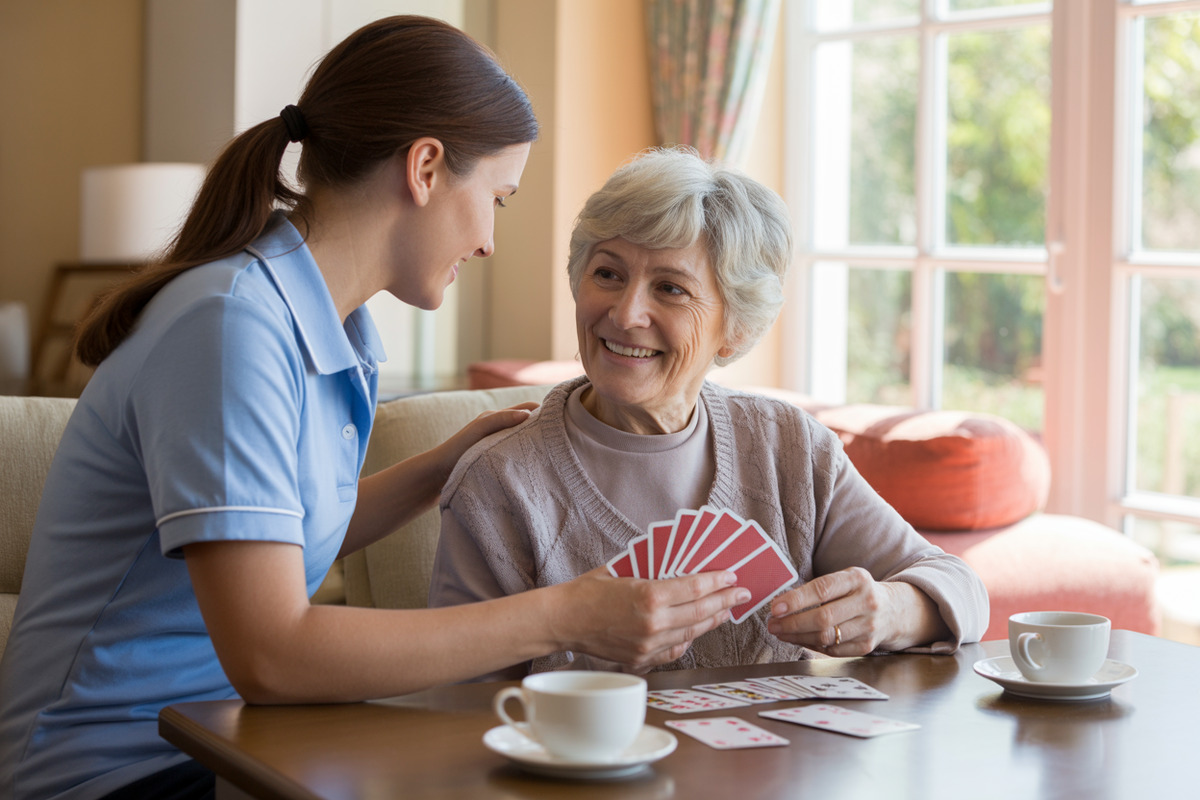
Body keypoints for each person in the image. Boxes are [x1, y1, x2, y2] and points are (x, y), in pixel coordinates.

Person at [0, 19, 748, 800]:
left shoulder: (327, 327)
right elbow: (274, 653)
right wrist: (567, 615)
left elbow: (271, 536)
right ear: (425, 167)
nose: (491, 240)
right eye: (496, 197)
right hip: (119, 772)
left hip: (234, 745)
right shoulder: (230, 329)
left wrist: (436, 469)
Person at [429, 146, 990, 679]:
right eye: (607, 274)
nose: (625, 314)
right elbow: (458, 710)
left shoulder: (789, 447)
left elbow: (961, 588)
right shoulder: (499, 482)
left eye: (670, 288)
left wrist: (890, 609)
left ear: (736, 328)